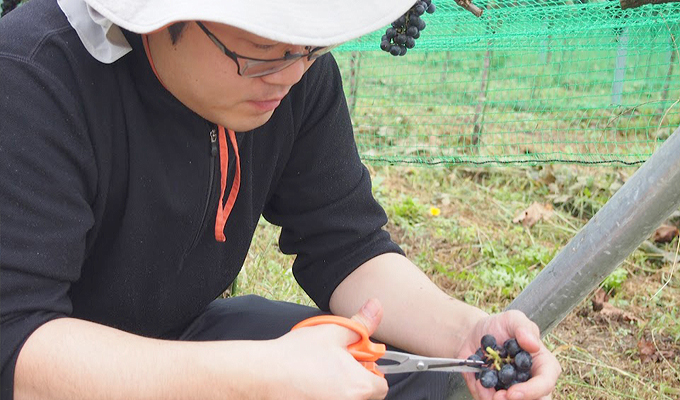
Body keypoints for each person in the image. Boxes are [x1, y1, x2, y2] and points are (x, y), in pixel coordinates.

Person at [0, 0, 561, 399]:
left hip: (183, 337)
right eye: (261, 49)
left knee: (408, 380)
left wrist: (463, 332)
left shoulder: (292, 79)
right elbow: (16, 347)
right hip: (54, 372)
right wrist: (250, 377)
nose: (291, 75)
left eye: (310, 48)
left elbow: (348, 245)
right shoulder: (31, 80)